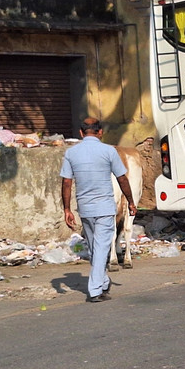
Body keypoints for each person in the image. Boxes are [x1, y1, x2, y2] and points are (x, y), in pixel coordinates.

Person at [60, 117, 136, 302]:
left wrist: (67, 209)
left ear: (81, 132)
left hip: (85, 208)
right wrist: (131, 201)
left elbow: (67, 182)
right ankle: (95, 290)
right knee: (100, 247)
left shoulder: (71, 153)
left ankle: (103, 281)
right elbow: (122, 178)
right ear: (100, 132)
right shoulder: (109, 151)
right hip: (104, 207)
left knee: (96, 248)